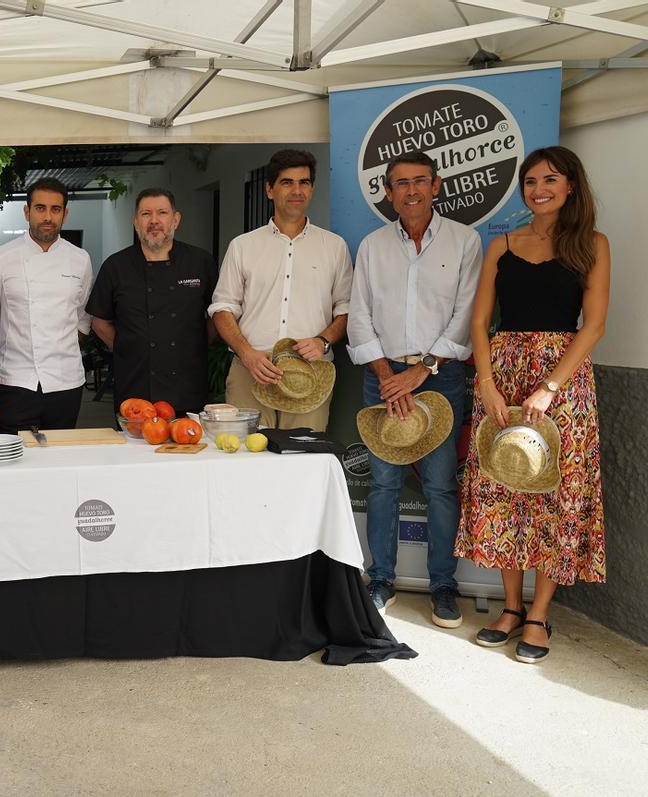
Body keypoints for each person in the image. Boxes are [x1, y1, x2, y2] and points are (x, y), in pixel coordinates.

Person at [455, 146, 609, 663]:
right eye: (530, 181)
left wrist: (550, 386)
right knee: (506, 484)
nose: (538, 189)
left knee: (553, 497)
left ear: (570, 186)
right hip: (502, 372)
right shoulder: (500, 245)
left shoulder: (592, 244)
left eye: (550, 179)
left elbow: (594, 325)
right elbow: (479, 322)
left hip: (562, 381)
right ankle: (511, 606)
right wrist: (488, 383)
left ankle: (541, 613)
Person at [347, 151, 482, 628]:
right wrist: (388, 376)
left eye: (419, 181)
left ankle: (443, 586)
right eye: (400, 183)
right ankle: (380, 580)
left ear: (437, 184)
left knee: (441, 485)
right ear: (388, 192)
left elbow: (464, 315)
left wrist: (422, 370)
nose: (411, 191)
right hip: (382, 379)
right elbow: (359, 314)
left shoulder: (464, 242)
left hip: (439, 378)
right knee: (383, 483)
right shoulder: (372, 245)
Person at [209, 149, 352, 430]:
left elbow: (346, 309)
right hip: (252, 370)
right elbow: (222, 308)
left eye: (304, 182)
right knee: (246, 461)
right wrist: (247, 353)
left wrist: (323, 341)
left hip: (309, 375)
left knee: (301, 463)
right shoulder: (243, 246)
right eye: (287, 182)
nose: (297, 190)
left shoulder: (334, 247)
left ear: (312, 188)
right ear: (269, 189)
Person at [86, 188, 218, 416]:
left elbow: (219, 314)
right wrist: (130, 348)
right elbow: (99, 322)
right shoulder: (115, 267)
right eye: (146, 214)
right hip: (135, 383)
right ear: (136, 221)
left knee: (186, 446)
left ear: (175, 220)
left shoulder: (200, 262)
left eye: (162, 213)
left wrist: (192, 346)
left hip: (187, 384)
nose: (154, 221)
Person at [0, 177, 92, 433]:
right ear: (27, 211)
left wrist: (57, 348)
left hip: (66, 383)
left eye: (55, 209)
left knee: (59, 461)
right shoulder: (0, 258)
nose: (47, 217)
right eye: (40, 208)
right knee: (15, 460)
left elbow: (82, 317)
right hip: (16, 381)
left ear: (65, 215)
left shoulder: (80, 259)